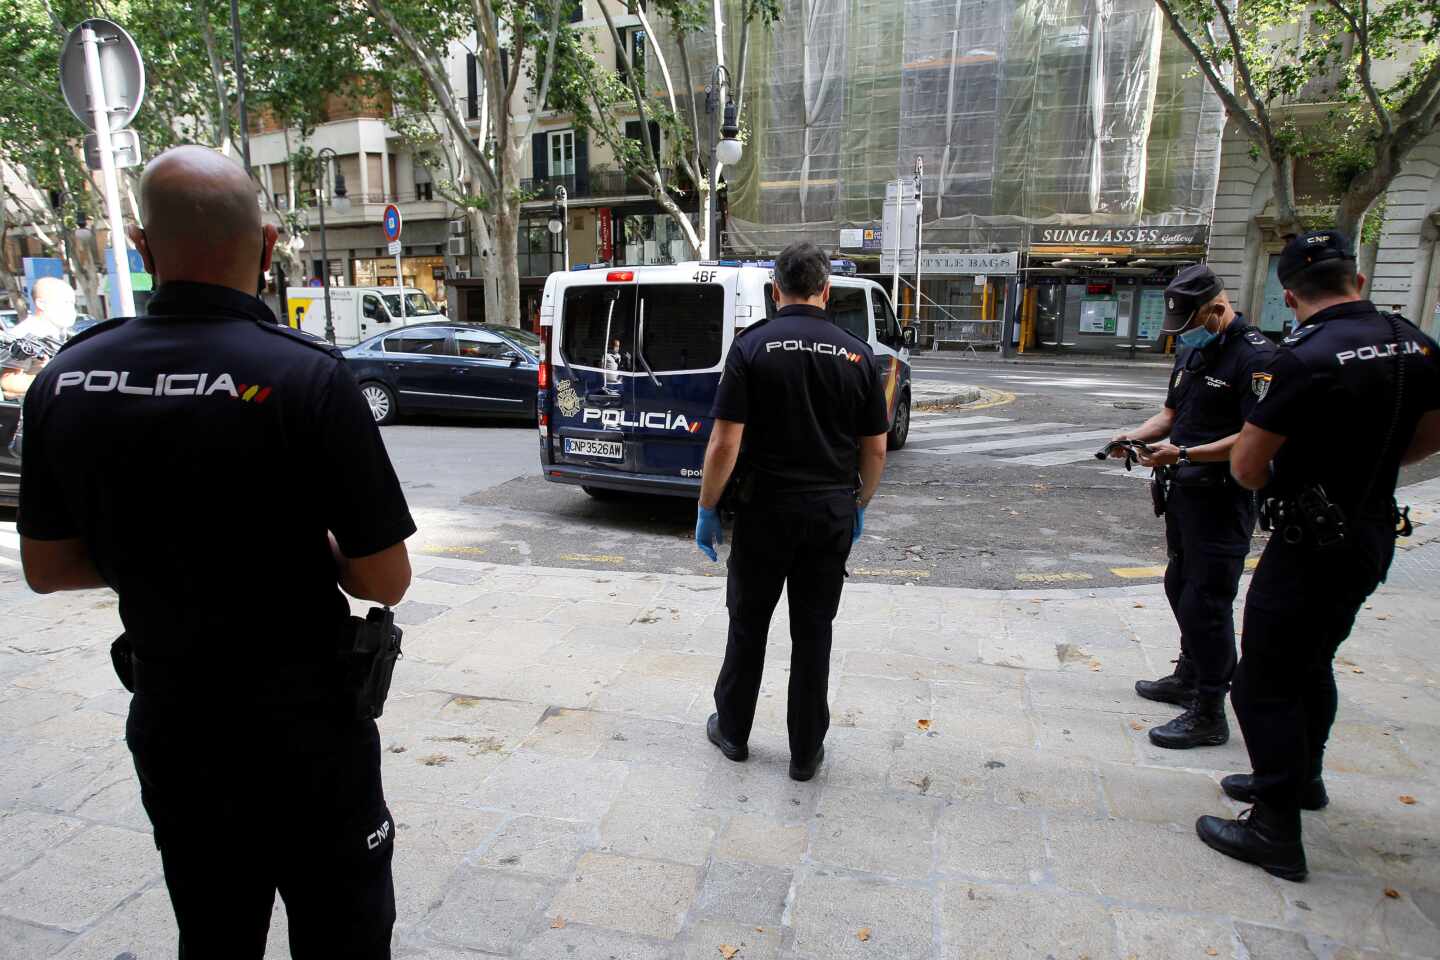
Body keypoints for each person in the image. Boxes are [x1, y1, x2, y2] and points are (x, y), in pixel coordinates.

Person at [16, 145, 415, 956]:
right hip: (308, 731)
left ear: (140, 245)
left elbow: (47, 568)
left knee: (214, 932)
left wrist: (156, 555)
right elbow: (385, 577)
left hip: (176, 723)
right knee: (345, 932)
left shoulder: (70, 376)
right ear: (268, 248)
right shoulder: (306, 378)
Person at [1195, 230, 1440, 881]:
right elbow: (1428, 440)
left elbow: (1248, 467)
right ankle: (1303, 778)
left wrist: (1295, 476)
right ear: (1356, 281)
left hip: (1308, 541)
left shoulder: (1305, 357)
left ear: (1289, 294)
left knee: (1264, 679)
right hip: (1372, 531)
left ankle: (1275, 827)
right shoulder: (1414, 342)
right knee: (1313, 662)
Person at [695, 242, 889, 781]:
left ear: (774, 291)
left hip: (764, 514)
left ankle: (733, 732)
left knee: (747, 625)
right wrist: (859, 503)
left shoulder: (751, 348)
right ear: (827, 290)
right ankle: (805, 752)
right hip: (827, 515)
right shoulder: (857, 354)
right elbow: (875, 449)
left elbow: (723, 446)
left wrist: (708, 507)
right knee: (813, 634)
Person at [1109, 264, 1275, 749]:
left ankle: (1209, 709)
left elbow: (1254, 435)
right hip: (1183, 493)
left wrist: (1184, 454)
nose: (1187, 335)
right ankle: (1188, 673)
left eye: (1194, 323)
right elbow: (1171, 414)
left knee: (1207, 601)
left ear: (1218, 309)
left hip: (1224, 498)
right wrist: (1130, 437)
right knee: (1180, 584)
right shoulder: (1191, 348)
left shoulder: (1256, 358)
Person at [0, 276, 77, 399]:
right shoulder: (23, 336)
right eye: (65, 302)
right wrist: (56, 381)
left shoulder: (61, 332)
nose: (71, 309)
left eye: (73, 303)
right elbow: (8, 381)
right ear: (41, 304)